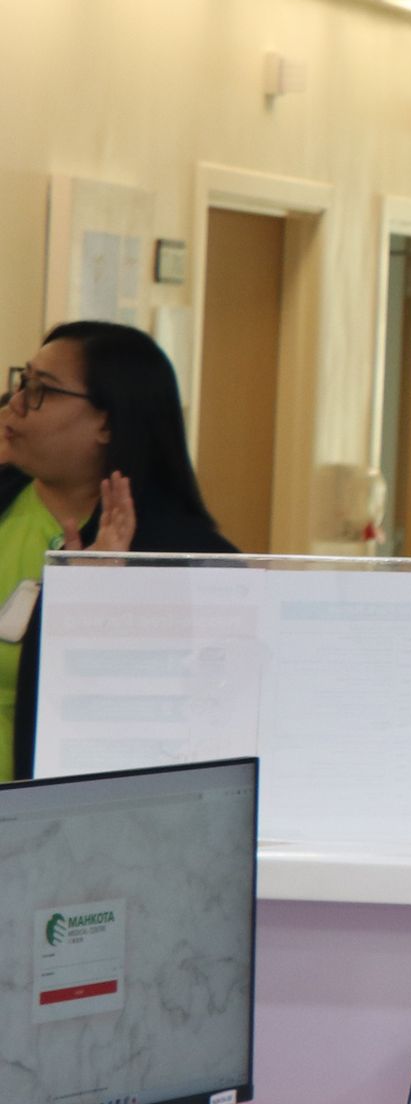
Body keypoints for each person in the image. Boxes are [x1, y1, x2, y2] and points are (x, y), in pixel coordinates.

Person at [2, 321, 234, 779]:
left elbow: (194, 721)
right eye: (22, 382)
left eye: (41, 390)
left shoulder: (183, 557)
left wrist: (100, 612)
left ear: (107, 422)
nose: (16, 403)